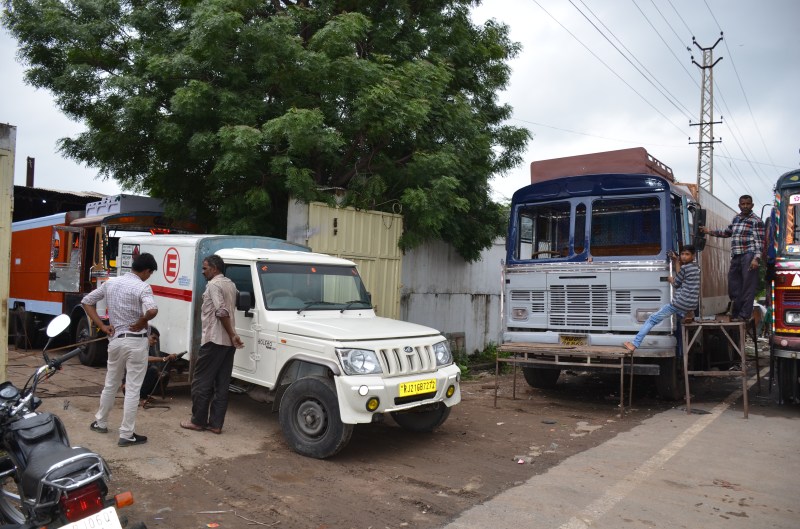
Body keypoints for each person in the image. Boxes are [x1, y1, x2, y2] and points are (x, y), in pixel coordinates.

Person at [83, 252, 159, 447]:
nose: (148, 277)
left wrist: (102, 325)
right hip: (136, 343)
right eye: (149, 273)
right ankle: (126, 434)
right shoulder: (143, 286)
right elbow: (152, 310)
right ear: (146, 270)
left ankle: (101, 422)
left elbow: (86, 302)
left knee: (111, 383)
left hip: (115, 340)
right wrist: (141, 321)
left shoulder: (110, 283)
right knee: (133, 388)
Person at [181, 254, 244, 434]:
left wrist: (232, 334)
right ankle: (216, 424)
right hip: (227, 344)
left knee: (201, 382)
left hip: (214, 340)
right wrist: (232, 336)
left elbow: (222, 312)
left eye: (205, 268)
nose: (202, 272)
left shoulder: (214, 285)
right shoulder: (230, 284)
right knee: (222, 384)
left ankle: (198, 421)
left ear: (215, 269)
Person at [624, 245, 700, 352]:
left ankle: (634, 344)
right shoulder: (696, 267)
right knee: (683, 307)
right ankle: (688, 314)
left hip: (679, 303)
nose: (683, 257)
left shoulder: (684, 268)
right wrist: (676, 262)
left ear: (693, 255)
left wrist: (670, 279)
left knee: (652, 319)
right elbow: (682, 278)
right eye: (682, 254)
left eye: (687, 254)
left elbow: (677, 283)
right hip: (692, 304)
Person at [702, 194, 765, 322]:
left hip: (749, 254)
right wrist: (709, 231)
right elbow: (727, 232)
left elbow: (760, 242)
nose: (745, 206)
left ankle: (744, 315)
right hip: (736, 255)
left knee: (748, 286)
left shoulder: (756, 221)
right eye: (743, 204)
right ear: (739, 205)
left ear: (752, 205)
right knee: (733, 286)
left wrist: (756, 259)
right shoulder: (736, 218)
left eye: (748, 204)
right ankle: (736, 313)